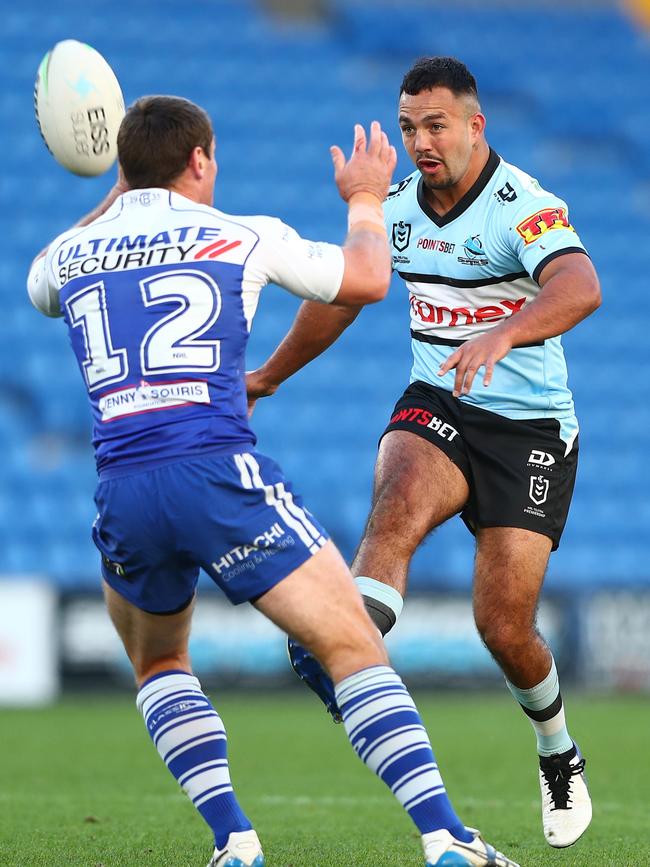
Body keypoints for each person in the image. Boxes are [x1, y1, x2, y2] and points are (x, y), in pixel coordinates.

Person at [27, 95, 520, 867]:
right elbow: (364, 279)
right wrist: (363, 198)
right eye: (211, 158)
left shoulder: (67, 253)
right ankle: (447, 838)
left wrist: (121, 182)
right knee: (352, 644)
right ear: (199, 161)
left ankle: (235, 841)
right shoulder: (241, 235)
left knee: (158, 664)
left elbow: (41, 285)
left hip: (123, 484)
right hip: (217, 469)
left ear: (126, 170)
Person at [247, 57, 602, 851]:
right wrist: (267, 376)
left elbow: (581, 286)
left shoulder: (525, 205)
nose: (420, 142)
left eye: (434, 125)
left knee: (503, 626)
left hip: (529, 428)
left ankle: (557, 749)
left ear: (476, 125)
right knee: (397, 496)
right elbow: (345, 298)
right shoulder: (399, 212)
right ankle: (344, 647)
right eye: (408, 127)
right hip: (439, 403)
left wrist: (505, 330)